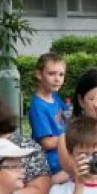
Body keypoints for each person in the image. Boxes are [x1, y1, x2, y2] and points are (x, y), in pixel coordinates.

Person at [29, 53, 70, 183]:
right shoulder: (38, 106)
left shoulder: (55, 97)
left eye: (61, 74)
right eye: (51, 74)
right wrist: (73, 137)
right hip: (54, 164)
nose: (57, 79)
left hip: (65, 155)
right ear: (39, 74)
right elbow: (46, 142)